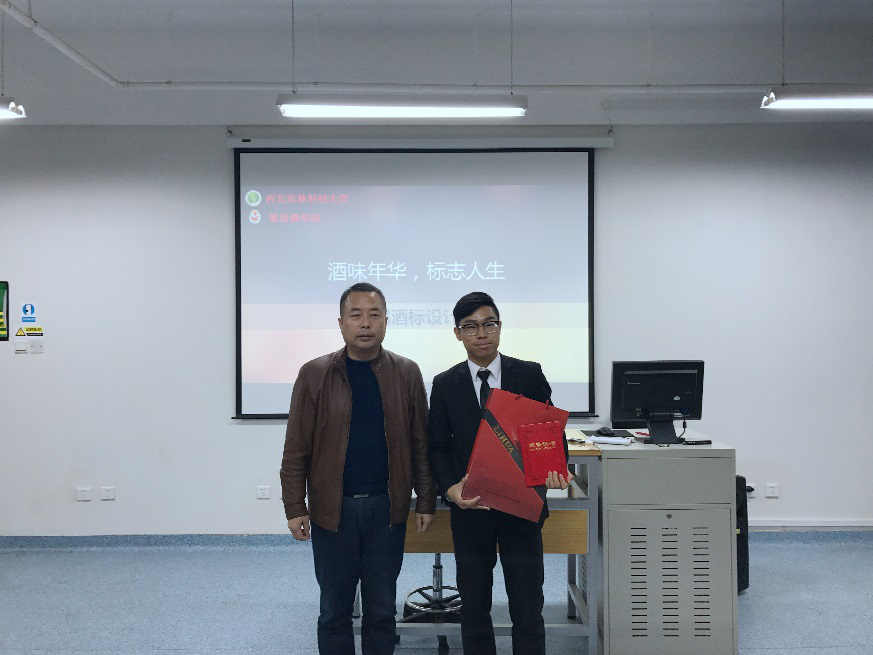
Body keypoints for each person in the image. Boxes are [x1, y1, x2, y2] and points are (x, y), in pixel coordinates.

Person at [280, 282, 436, 655]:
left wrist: (426, 498)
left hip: (387, 509)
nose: (365, 323)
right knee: (334, 611)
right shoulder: (314, 374)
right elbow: (296, 447)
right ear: (341, 323)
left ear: (386, 321)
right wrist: (295, 506)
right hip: (333, 511)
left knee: (381, 611)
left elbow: (420, 443)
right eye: (356, 315)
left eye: (374, 314)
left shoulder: (406, 372)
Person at [428, 291, 572, 655]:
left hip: (520, 509)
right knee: (474, 605)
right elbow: (438, 446)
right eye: (470, 326)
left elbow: (550, 432)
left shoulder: (528, 374)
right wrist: (449, 490)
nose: (481, 334)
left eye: (488, 324)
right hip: (470, 509)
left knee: (527, 604)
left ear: (500, 327)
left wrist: (555, 468)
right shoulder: (445, 384)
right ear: (458, 333)